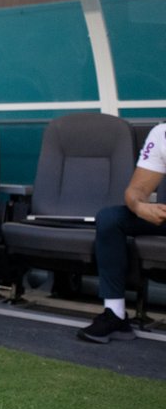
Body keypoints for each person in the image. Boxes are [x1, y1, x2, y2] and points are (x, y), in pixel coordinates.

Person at [77, 122, 166, 343]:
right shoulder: (162, 133)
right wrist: (140, 206)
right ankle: (115, 315)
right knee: (110, 218)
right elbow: (137, 190)